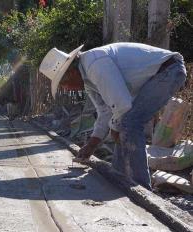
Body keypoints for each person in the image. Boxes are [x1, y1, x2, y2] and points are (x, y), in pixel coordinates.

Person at [39, 42, 187, 189]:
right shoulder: (88, 79)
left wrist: (114, 129)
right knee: (125, 123)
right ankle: (119, 176)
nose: (66, 88)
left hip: (169, 70)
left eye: (63, 84)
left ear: (70, 73)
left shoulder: (94, 64)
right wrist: (92, 144)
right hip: (161, 74)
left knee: (130, 122)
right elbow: (105, 112)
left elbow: (122, 105)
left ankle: (141, 187)